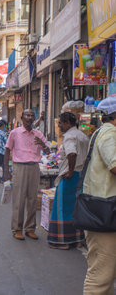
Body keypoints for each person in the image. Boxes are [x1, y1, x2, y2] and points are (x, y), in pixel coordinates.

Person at [82, 97, 116, 295]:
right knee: (101, 276)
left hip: (103, 210)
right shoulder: (109, 134)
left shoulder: (102, 132)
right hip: (104, 211)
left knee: (106, 272)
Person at [4, 109, 50, 240]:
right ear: (22, 117)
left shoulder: (38, 134)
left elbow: (47, 152)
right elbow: (7, 150)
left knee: (32, 199)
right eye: (27, 115)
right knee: (19, 199)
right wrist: (7, 170)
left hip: (34, 168)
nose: (29, 118)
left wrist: (43, 145)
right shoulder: (15, 133)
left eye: (31, 116)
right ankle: (17, 229)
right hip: (19, 167)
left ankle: (30, 228)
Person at [47, 112, 89, 250]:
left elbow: (72, 153)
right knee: (75, 208)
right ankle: (77, 239)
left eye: (60, 122)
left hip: (70, 176)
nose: (59, 125)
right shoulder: (82, 135)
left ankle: (62, 241)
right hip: (81, 175)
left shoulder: (69, 136)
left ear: (67, 123)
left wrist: (70, 171)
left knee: (62, 208)